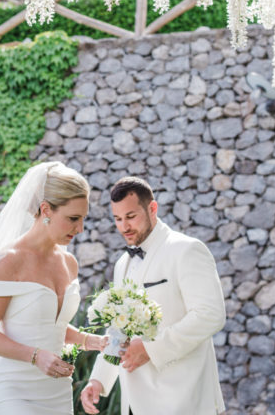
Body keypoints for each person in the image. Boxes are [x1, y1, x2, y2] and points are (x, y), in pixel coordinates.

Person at [0, 161, 106, 415]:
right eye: (73, 219)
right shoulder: (9, 261)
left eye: (83, 219)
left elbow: (47, 325)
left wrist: (91, 341)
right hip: (12, 391)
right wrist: (36, 356)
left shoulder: (69, 263)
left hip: (57, 393)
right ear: (46, 210)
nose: (80, 229)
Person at [81, 176, 226, 415]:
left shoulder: (187, 250)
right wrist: (99, 380)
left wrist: (151, 349)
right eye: (117, 219)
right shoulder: (122, 264)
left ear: (152, 208)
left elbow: (210, 315)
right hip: (135, 404)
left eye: (131, 217)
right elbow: (120, 329)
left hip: (184, 399)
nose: (124, 227)